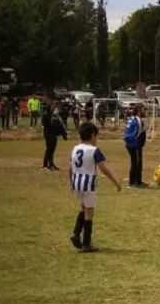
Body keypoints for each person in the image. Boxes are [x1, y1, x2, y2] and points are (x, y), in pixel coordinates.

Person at [68, 121, 122, 252]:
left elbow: (70, 168)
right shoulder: (94, 150)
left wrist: (71, 183)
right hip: (88, 184)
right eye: (96, 136)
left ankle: (76, 234)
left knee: (82, 209)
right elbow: (103, 168)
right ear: (92, 135)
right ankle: (86, 243)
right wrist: (116, 182)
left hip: (76, 183)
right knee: (89, 214)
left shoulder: (75, 149)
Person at [123, 104, 147, 188]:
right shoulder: (138, 121)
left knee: (137, 162)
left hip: (131, 144)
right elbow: (136, 133)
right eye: (143, 110)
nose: (145, 112)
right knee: (136, 163)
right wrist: (137, 141)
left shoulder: (131, 119)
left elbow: (127, 130)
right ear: (139, 111)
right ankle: (133, 182)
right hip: (134, 144)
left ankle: (138, 180)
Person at [42, 105, 68, 170]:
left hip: (54, 135)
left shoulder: (57, 118)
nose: (57, 111)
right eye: (56, 109)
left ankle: (51, 163)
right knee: (49, 150)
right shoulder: (49, 117)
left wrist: (63, 134)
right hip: (49, 135)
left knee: (52, 150)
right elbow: (48, 125)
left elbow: (61, 127)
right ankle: (45, 165)